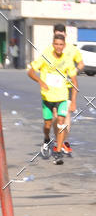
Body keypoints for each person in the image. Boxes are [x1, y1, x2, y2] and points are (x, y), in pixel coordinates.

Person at [27, 33, 77, 165]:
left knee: (61, 123)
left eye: (61, 44)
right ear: (53, 45)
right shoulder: (45, 57)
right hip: (47, 97)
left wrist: (73, 101)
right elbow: (30, 71)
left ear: (64, 46)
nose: (59, 47)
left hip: (61, 97)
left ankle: (58, 152)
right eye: (56, 44)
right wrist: (40, 81)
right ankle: (46, 138)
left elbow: (74, 83)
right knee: (48, 124)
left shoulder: (67, 60)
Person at [51, 23, 84, 155]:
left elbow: (81, 64)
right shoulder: (50, 49)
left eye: (62, 34)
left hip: (68, 87)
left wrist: (73, 72)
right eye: (56, 34)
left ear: (65, 34)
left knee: (66, 114)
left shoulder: (72, 49)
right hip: (53, 87)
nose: (59, 36)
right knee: (55, 116)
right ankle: (57, 140)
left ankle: (63, 141)